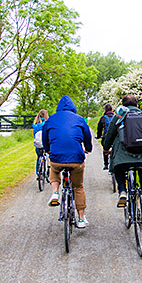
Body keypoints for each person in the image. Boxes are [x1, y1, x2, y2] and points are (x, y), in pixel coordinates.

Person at [102, 94, 142, 229]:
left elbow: (110, 135)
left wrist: (106, 149)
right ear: (137, 105)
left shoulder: (119, 115)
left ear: (123, 105)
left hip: (124, 159)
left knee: (118, 171)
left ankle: (123, 191)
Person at [41, 95, 93, 228]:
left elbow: (44, 138)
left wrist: (48, 150)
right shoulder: (80, 119)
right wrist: (88, 149)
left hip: (57, 157)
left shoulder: (50, 119)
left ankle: (55, 192)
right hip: (76, 159)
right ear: (73, 108)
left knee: (53, 167)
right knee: (78, 186)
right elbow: (87, 137)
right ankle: (81, 218)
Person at [95, 104, 115, 169]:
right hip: (115, 138)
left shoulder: (103, 118)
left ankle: (106, 164)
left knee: (105, 149)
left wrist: (98, 136)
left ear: (105, 110)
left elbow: (99, 129)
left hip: (106, 138)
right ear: (112, 110)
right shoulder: (116, 117)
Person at [32, 109, 49, 175]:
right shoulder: (47, 123)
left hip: (38, 144)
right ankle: (47, 171)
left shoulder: (35, 125)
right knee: (48, 156)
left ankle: (38, 172)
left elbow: (34, 135)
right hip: (45, 144)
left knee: (39, 156)